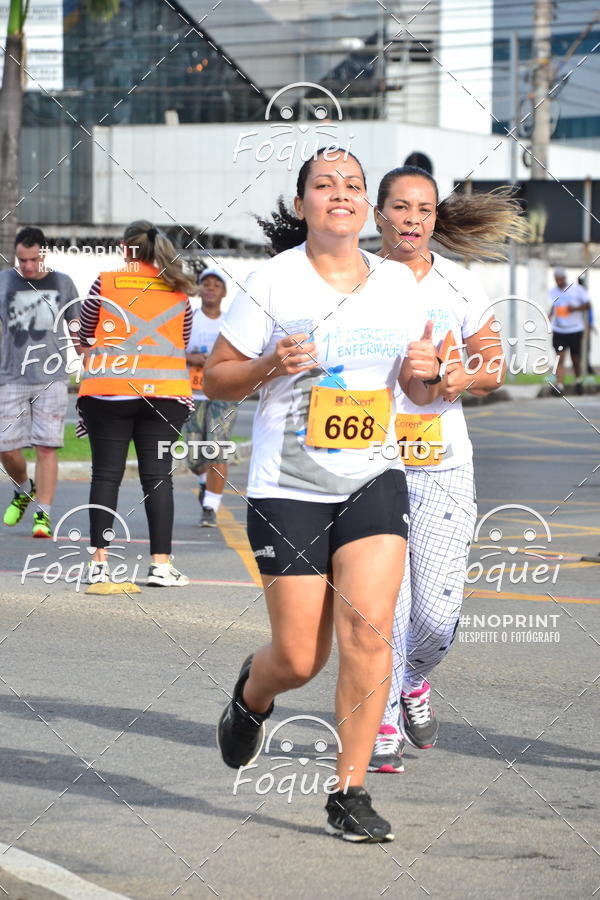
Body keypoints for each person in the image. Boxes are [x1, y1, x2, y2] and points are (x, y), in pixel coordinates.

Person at [205, 148, 439, 843]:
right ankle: (255, 692)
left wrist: (431, 377)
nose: (339, 193)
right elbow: (217, 378)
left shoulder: (397, 285)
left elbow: (416, 390)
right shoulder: (273, 281)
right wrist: (270, 362)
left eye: (352, 185)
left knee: (368, 630)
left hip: (372, 474)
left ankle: (349, 791)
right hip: (290, 487)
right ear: (304, 202)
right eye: (324, 184)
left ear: (366, 206)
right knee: (300, 658)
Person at [368, 168, 525, 773]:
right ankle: (380, 722)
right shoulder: (354, 279)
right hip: (370, 464)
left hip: (443, 464)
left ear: (436, 217)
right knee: (388, 606)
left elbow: (494, 364)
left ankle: (413, 680)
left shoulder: (460, 285)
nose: (412, 218)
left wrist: (467, 377)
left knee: (434, 615)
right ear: (379, 214)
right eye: (401, 207)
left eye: (424, 209)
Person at [77, 221, 196, 587]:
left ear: (124, 247)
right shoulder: (179, 290)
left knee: (106, 476)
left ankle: (99, 564)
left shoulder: (106, 281)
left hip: (109, 391)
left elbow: (84, 332)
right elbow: (184, 341)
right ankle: (160, 565)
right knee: (158, 479)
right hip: (164, 395)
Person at [1, 226, 80, 538]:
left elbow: (76, 327)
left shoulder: (62, 282)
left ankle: (43, 515)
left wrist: (94, 363)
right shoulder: (5, 281)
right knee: (6, 447)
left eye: (33, 260)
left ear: (43, 254)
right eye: (22, 260)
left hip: (52, 377)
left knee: (47, 448)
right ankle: (24, 490)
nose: (28, 267)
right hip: (10, 377)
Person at [183, 268, 238, 527]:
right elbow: (173, 349)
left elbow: (243, 354)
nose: (211, 288)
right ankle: (205, 483)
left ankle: (210, 507)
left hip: (224, 393)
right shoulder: (189, 320)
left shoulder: (231, 322)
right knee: (194, 457)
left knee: (217, 447)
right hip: (193, 393)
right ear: (199, 289)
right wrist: (190, 357)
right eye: (206, 283)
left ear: (224, 292)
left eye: (217, 284)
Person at [549, 266, 590, 396]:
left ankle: (578, 381)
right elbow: (552, 306)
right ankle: (560, 386)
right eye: (557, 280)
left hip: (575, 329)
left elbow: (587, 305)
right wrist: (549, 316)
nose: (559, 282)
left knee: (575, 359)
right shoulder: (552, 292)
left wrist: (575, 309)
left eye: (560, 279)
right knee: (560, 358)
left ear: (564, 278)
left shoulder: (577, 290)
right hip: (559, 330)